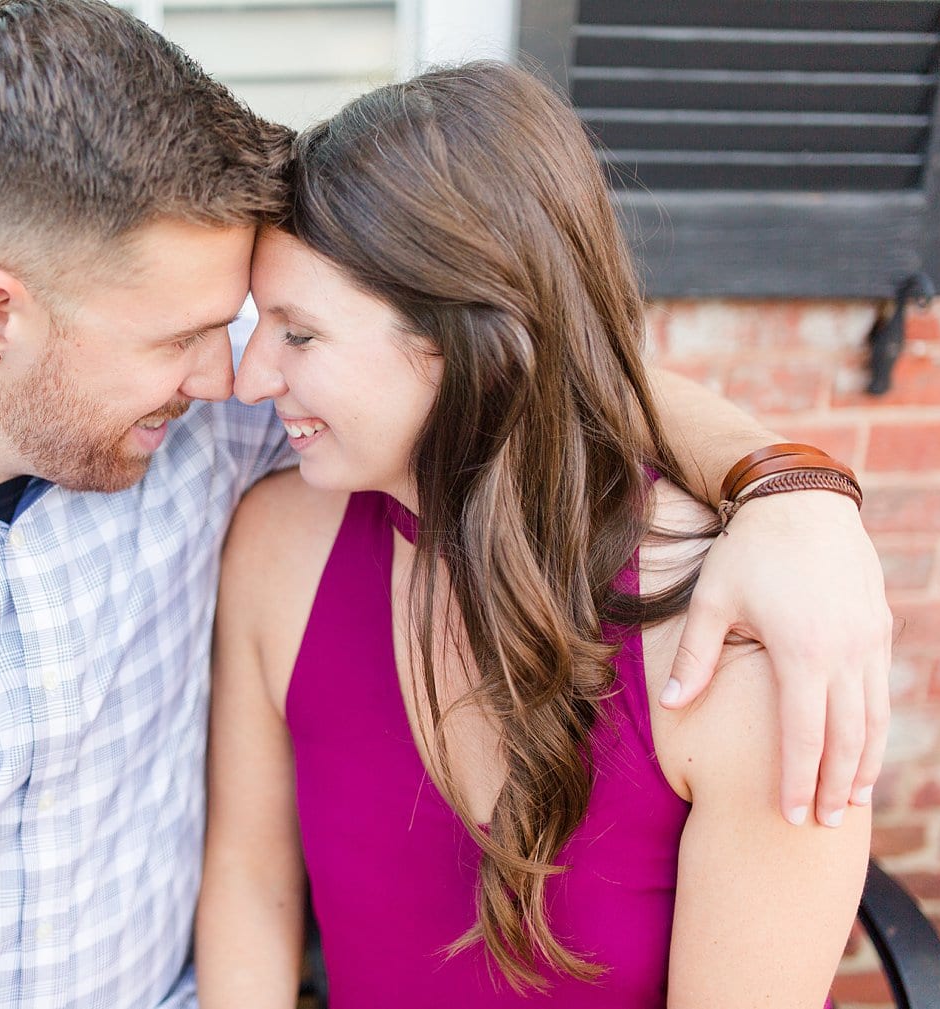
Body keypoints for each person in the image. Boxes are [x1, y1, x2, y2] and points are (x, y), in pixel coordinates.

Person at [0, 4, 882, 1007]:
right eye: (190, 334)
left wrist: (794, 487)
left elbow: (530, 353)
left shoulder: (214, 440)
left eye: (262, 329)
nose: (229, 376)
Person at [195, 61, 872, 1009]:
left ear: (466, 337)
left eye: (298, 335)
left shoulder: (737, 642)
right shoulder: (277, 547)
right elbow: (250, 884)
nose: (250, 377)